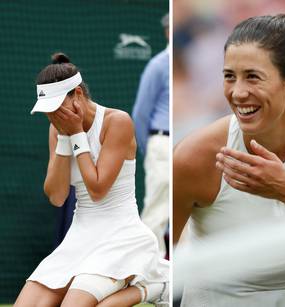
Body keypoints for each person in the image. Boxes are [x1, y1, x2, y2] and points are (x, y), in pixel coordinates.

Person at [173, 14, 285, 306]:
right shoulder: (194, 156)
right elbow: (159, 260)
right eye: (229, 76)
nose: (237, 93)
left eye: (252, 76)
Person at [14, 53, 169, 307]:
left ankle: (153, 287)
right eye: (46, 110)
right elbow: (57, 196)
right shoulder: (56, 129)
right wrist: (65, 137)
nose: (51, 115)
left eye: (55, 107)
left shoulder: (117, 122)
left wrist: (75, 133)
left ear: (76, 94)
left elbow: (97, 189)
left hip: (122, 237)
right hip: (80, 235)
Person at [132, 13, 170, 257]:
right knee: (156, 211)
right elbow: (140, 114)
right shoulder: (158, 65)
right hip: (162, 144)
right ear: (167, 31)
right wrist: (152, 149)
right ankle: (149, 272)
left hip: (178, 143)